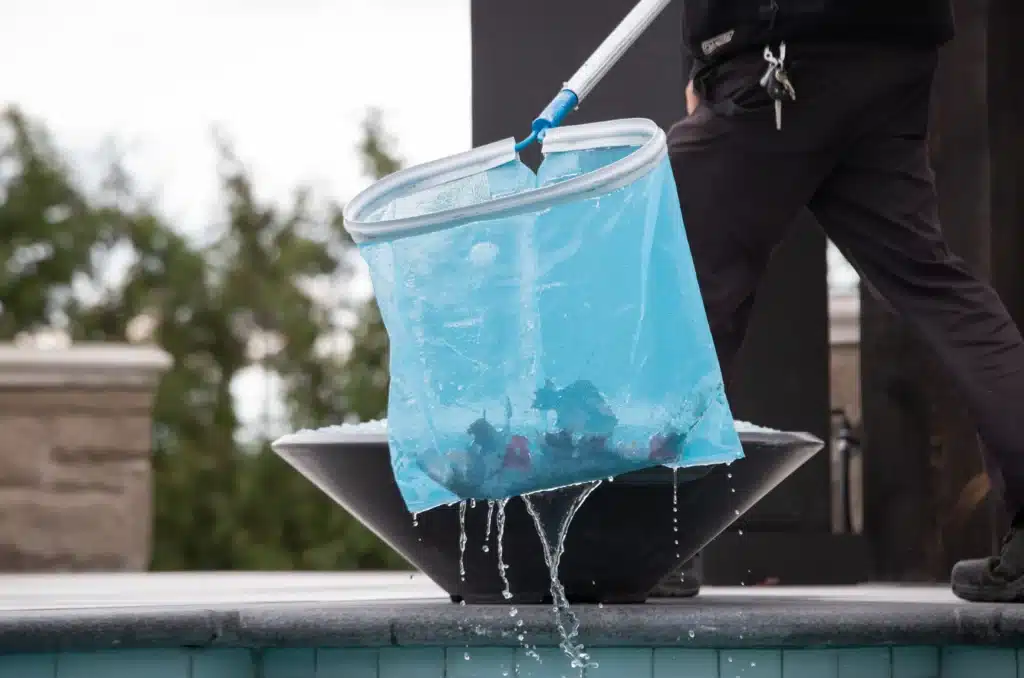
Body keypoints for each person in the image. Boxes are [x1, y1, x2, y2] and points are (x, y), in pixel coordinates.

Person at [666, 0, 1024, 603]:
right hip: (889, 52)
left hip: (783, 49)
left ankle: (650, 537)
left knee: (673, 277)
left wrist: (712, 57)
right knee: (934, 286)